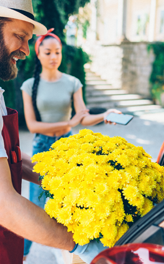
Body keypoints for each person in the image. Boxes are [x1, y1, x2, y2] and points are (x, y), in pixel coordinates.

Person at [0, 1, 106, 263]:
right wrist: (80, 245)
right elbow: (0, 204)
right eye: (19, 37)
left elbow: (6, 159)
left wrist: (64, 179)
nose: (26, 50)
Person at [20, 28, 122, 260]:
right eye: (48, 52)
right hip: (42, 148)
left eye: (58, 52)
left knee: (74, 203)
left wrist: (105, 114)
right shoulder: (29, 85)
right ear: (39, 54)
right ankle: (23, 254)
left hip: (68, 148)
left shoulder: (72, 82)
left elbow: (82, 117)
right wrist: (69, 121)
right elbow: (33, 125)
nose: (54, 57)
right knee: (35, 206)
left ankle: (74, 255)